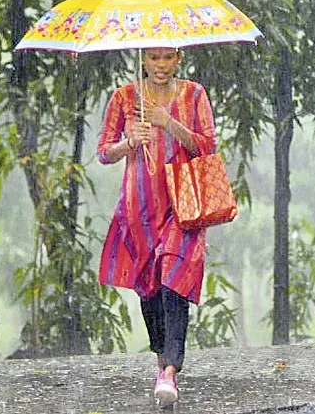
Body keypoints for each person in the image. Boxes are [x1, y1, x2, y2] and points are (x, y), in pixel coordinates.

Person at [97, 47, 216, 406]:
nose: (160, 66)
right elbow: (104, 152)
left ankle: (170, 371)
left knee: (174, 278)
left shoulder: (195, 94)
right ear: (144, 60)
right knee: (149, 287)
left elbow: (207, 146)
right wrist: (128, 142)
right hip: (138, 210)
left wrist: (169, 123)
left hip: (183, 206)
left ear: (178, 58)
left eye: (167, 58)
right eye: (153, 58)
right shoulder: (124, 97)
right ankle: (162, 362)